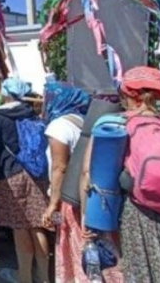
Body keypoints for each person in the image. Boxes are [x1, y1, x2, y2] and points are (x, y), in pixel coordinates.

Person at [80, 67, 160, 282]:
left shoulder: (112, 124)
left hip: (135, 213)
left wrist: (89, 220)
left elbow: (89, 174)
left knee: (140, 273)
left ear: (126, 93)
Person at [39, 82, 121, 283]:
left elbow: (60, 168)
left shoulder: (57, 126)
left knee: (78, 247)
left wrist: (52, 205)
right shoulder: (82, 120)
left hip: (70, 197)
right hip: (90, 197)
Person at [0, 78, 49, 283]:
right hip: (35, 173)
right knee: (37, 225)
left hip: (10, 173)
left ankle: (25, 276)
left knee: (19, 225)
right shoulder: (29, 111)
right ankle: (44, 276)